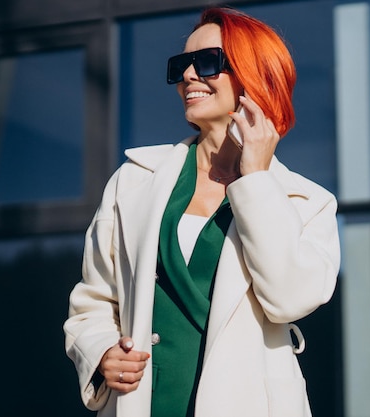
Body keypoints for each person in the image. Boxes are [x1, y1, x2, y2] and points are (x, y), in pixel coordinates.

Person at [63, 7, 340, 417]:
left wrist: (257, 180)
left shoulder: (308, 201)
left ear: (254, 74)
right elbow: (95, 300)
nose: (189, 76)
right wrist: (102, 351)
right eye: (181, 66)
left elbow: (288, 300)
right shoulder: (134, 180)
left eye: (208, 62)